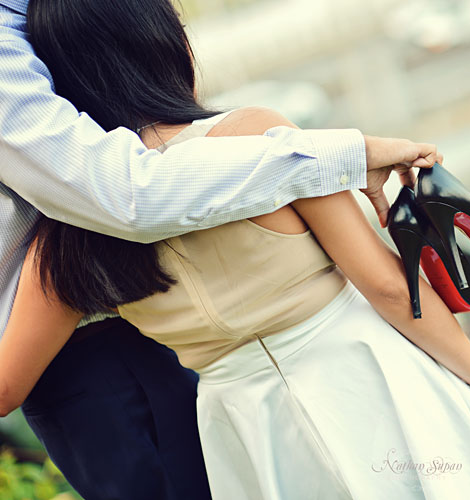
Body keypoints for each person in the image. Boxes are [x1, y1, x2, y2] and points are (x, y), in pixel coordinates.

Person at [0, 0, 440, 498]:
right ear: (162, 42)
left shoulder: (61, 249)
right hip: (122, 368)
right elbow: (390, 287)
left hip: (171, 388)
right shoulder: (253, 132)